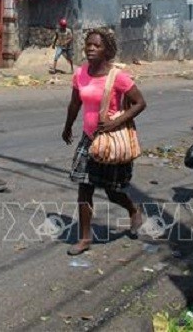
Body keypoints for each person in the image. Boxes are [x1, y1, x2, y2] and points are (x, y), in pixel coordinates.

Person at [62, 27, 147, 256]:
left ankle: (132, 209)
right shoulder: (80, 74)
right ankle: (85, 238)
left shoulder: (117, 77)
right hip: (88, 140)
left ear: (107, 50)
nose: (91, 48)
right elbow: (75, 104)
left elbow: (140, 103)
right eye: (88, 44)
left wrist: (115, 122)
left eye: (97, 45)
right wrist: (68, 125)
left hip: (110, 140)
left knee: (112, 191)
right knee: (84, 188)